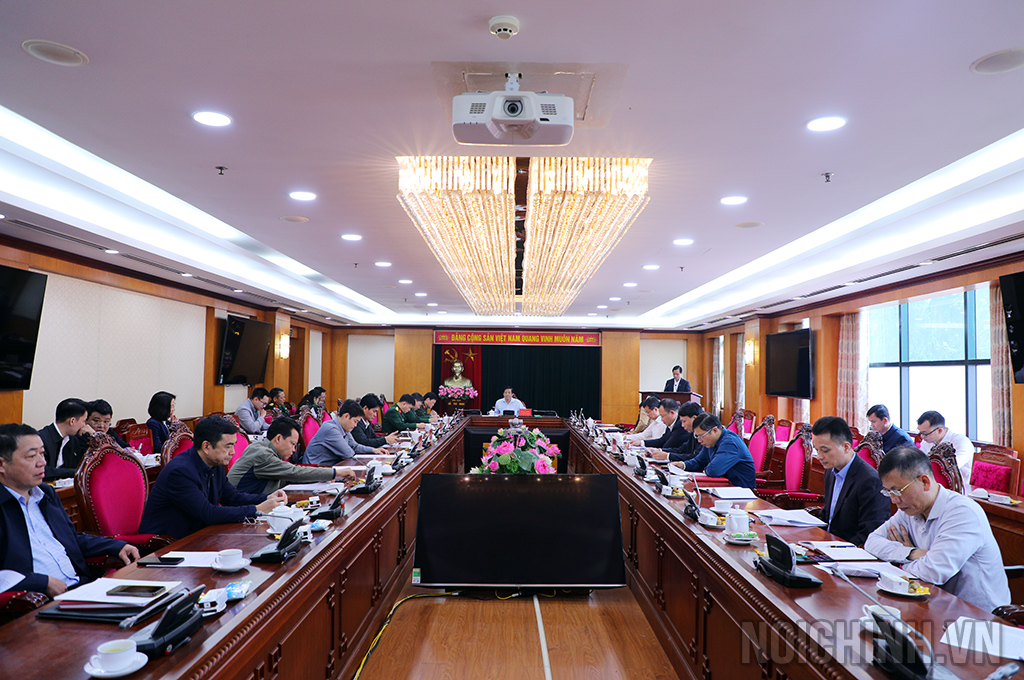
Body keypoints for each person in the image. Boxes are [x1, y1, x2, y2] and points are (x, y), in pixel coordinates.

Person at [865, 447, 1010, 613]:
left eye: (898, 491)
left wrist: (899, 565)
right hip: (933, 603)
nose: (894, 500)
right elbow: (872, 542)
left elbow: (933, 572)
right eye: (889, 492)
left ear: (924, 482)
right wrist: (912, 553)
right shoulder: (909, 510)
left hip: (977, 616)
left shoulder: (962, 513)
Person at [0, 424, 139, 596]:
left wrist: (116, 546)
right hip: (38, 601)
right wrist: (41, 583)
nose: (42, 462)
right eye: (31, 456)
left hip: (79, 587)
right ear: (2, 464)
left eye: (42, 453)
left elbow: (70, 539)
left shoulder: (45, 493)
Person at [140, 416, 285, 540]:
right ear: (206, 447)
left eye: (233, 446)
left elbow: (232, 498)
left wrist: (268, 498)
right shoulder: (180, 471)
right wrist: (257, 509)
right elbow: (207, 513)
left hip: (199, 536)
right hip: (167, 545)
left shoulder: (215, 464)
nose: (233, 452)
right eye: (228, 446)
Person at [811, 416, 889, 546]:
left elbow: (870, 533)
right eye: (816, 449)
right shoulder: (830, 470)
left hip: (849, 551)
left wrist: (836, 549)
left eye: (825, 450)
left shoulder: (871, 481)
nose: (819, 456)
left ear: (846, 447)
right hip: (827, 544)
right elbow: (827, 515)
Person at [228, 417, 355, 494]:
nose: (294, 450)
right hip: (242, 510)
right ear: (278, 438)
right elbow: (294, 472)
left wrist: (322, 478)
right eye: (292, 444)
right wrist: (335, 473)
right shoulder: (262, 454)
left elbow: (287, 477)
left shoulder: (268, 450)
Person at [679, 414, 757, 488]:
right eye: (697, 436)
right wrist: (683, 465)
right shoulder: (710, 442)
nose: (699, 440)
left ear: (715, 430)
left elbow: (714, 470)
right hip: (721, 486)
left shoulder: (730, 442)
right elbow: (699, 462)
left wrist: (707, 470)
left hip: (739, 490)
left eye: (701, 436)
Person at [305, 399, 387, 465]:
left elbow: (355, 446)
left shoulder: (344, 427)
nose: (356, 425)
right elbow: (349, 454)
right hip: (317, 471)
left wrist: (373, 450)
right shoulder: (331, 429)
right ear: (346, 416)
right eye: (355, 421)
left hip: (331, 467)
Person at [38, 398, 93, 480]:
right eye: (84, 421)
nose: (85, 426)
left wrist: (93, 435)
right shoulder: (41, 439)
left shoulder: (73, 440)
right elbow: (42, 470)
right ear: (72, 421)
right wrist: (74, 472)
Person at [916, 410, 975, 481]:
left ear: (939, 430)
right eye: (920, 432)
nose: (922, 436)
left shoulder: (961, 441)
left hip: (959, 484)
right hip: (934, 482)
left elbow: (953, 467)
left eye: (925, 433)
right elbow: (920, 462)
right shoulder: (926, 442)